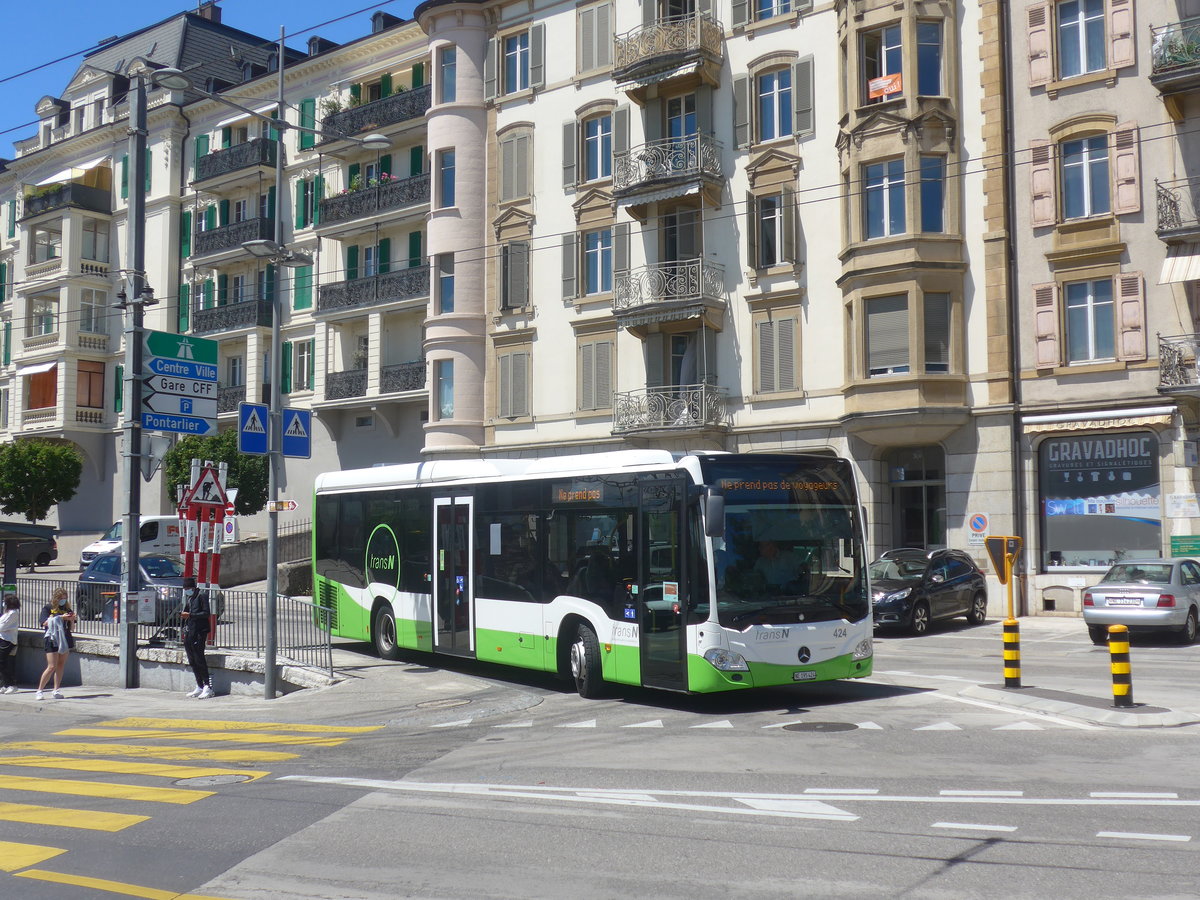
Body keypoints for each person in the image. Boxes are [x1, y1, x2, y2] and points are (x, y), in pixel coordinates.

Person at [37, 588, 75, 700]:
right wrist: (60, 617)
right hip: (52, 638)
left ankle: (56, 689)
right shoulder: (48, 608)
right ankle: (40, 690)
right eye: (61, 598)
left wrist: (72, 619)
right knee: (51, 666)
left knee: (61, 664)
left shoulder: (67, 609)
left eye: (65, 598)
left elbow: (72, 628)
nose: (63, 600)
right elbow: (44, 623)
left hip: (65, 638)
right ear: (56, 598)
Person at [180, 577, 214, 699]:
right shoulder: (190, 598)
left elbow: (206, 613)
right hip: (190, 631)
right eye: (185, 589)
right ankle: (199, 685)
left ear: (192, 588)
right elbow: (187, 613)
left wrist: (191, 615)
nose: (186, 591)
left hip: (200, 631)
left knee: (199, 658)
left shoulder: (201, 596)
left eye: (187, 588)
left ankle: (207, 686)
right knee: (192, 660)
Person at [0, 593, 20, 694]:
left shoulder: (13, 613)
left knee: (3, 663)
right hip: (3, 638)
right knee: (2, 663)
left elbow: (2, 627)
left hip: (7, 641)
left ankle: (11, 684)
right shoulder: (7, 613)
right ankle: (5, 684)